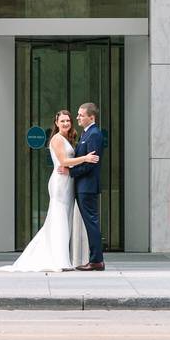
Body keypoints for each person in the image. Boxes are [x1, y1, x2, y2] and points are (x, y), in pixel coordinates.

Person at [0, 110, 96, 272]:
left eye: (68, 121)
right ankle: (60, 261)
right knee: (59, 218)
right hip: (60, 183)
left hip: (68, 182)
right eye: (62, 121)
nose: (66, 123)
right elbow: (63, 161)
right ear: (56, 123)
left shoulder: (67, 138)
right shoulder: (57, 139)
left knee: (63, 219)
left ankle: (61, 258)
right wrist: (85, 158)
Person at [62, 102, 106, 271]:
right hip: (83, 186)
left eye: (81, 115)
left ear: (91, 117)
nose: (78, 117)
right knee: (90, 223)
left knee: (91, 223)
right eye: (78, 114)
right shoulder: (86, 133)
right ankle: (95, 259)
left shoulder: (94, 134)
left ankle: (96, 261)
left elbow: (91, 164)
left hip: (87, 187)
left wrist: (71, 171)